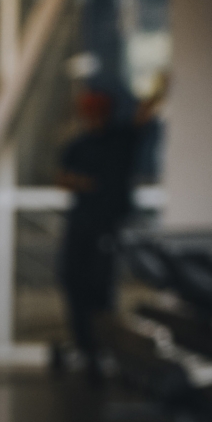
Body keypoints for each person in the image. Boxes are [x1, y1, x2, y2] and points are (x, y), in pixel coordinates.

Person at [55, 87, 145, 378]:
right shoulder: (78, 145)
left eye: (96, 111)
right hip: (80, 226)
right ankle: (84, 346)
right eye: (87, 112)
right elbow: (63, 177)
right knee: (72, 281)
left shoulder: (121, 139)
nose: (91, 117)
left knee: (101, 288)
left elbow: (143, 115)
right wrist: (84, 183)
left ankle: (102, 349)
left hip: (106, 227)